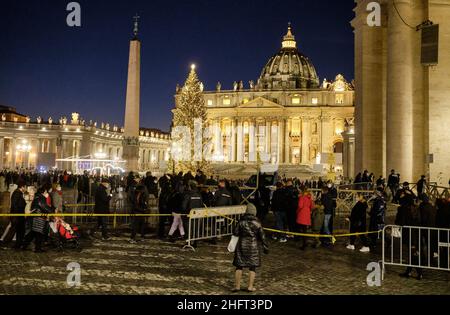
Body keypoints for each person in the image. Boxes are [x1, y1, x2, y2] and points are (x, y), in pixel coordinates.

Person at [232, 203, 268, 293]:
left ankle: (237, 286)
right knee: (252, 267)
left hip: (241, 246)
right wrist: (265, 246)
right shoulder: (257, 223)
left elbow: (235, 233)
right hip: (253, 247)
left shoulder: (241, 222)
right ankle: (250, 287)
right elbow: (262, 236)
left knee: (239, 266)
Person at [21, 184, 54, 253]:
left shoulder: (37, 197)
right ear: (43, 192)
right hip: (38, 219)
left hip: (36, 218)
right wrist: (52, 210)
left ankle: (24, 246)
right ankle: (37, 248)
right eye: (46, 192)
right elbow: (44, 207)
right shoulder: (40, 198)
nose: (47, 194)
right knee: (38, 234)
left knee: (33, 233)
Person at [2, 179, 27, 249]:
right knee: (13, 230)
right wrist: (17, 215)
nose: (25, 188)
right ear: (22, 187)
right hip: (17, 216)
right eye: (25, 187)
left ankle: (18, 245)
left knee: (21, 230)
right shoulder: (17, 193)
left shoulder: (19, 193)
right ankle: (4, 243)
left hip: (19, 215)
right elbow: (15, 205)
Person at [360, 187, 386, 253]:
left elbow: (377, 211)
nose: (373, 194)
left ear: (378, 193)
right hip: (375, 218)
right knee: (375, 232)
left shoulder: (380, 201)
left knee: (376, 232)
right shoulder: (377, 200)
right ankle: (373, 244)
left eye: (375, 192)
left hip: (377, 219)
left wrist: (370, 212)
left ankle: (372, 245)